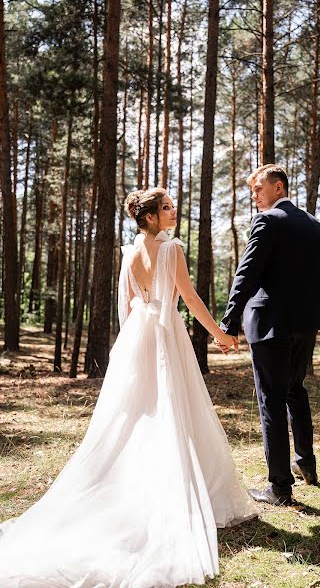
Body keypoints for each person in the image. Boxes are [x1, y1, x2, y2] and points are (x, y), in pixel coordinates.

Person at [0, 188, 257, 587]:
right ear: (150, 217)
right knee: (173, 408)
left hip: (139, 335)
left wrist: (136, 338)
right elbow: (187, 297)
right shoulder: (171, 250)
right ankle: (179, 492)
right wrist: (220, 334)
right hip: (165, 334)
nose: (173, 212)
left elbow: (129, 303)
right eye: (167, 208)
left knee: (139, 411)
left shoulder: (130, 251)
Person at [218, 164, 320, 506]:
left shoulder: (268, 220)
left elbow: (247, 272)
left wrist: (229, 320)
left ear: (278, 187)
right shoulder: (314, 225)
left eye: (258, 189)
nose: (254, 196)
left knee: (271, 402)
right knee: (296, 390)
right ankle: (306, 464)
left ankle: (280, 488)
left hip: (270, 325)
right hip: (305, 324)